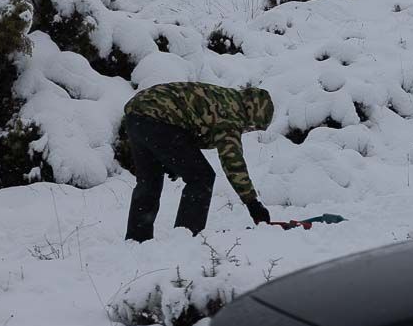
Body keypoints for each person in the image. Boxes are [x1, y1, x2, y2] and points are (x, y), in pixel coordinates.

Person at [122, 81, 293, 242]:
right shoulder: (232, 114)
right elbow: (232, 162)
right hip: (159, 119)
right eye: (252, 127)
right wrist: (253, 204)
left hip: (137, 115)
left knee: (149, 182)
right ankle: (186, 237)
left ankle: (137, 240)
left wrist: (170, 160)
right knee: (202, 177)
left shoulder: (224, 97)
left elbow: (188, 122)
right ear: (252, 113)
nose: (247, 130)